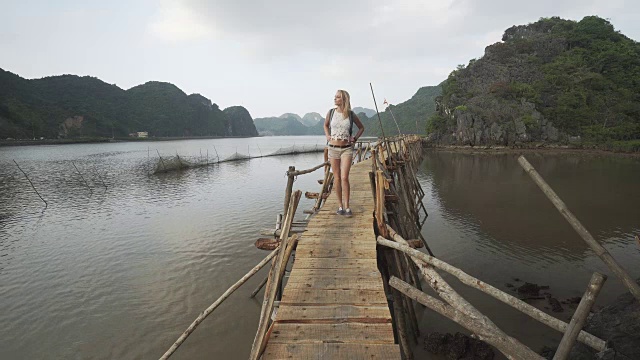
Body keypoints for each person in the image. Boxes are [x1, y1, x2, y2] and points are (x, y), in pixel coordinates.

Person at [323, 89, 365, 216]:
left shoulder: (351, 114)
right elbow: (325, 125)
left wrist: (355, 138)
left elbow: (361, 127)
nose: (335, 99)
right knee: (336, 177)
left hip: (347, 148)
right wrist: (328, 136)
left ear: (344, 99)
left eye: (337, 97)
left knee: (344, 177)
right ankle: (340, 206)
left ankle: (347, 207)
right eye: (335, 97)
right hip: (333, 148)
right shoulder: (330, 113)